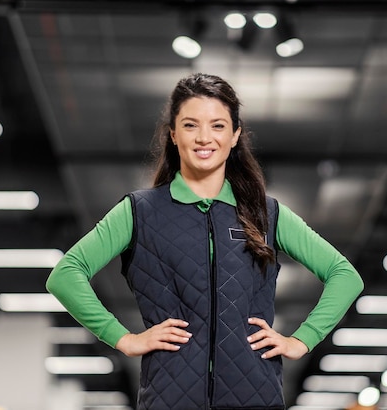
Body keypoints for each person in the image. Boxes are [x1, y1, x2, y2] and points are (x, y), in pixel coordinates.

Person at [46, 72, 364, 410]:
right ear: (172, 135)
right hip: (168, 399)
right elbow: (66, 275)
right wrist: (122, 338)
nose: (203, 138)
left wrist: (303, 340)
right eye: (190, 125)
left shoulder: (266, 213)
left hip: (255, 397)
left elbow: (345, 276)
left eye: (217, 125)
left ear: (235, 135)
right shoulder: (140, 212)